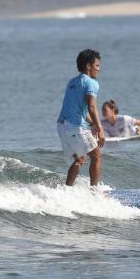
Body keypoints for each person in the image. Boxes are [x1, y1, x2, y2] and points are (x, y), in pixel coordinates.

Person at [57, 49, 105, 186]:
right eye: (96, 65)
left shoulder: (72, 82)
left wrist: (93, 124)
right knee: (96, 156)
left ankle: (67, 189)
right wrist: (100, 128)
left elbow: (78, 110)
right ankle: (94, 192)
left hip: (61, 126)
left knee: (79, 158)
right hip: (75, 127)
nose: (99, 69)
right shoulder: (91, 83)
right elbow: (92, 107)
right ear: (88, 66)